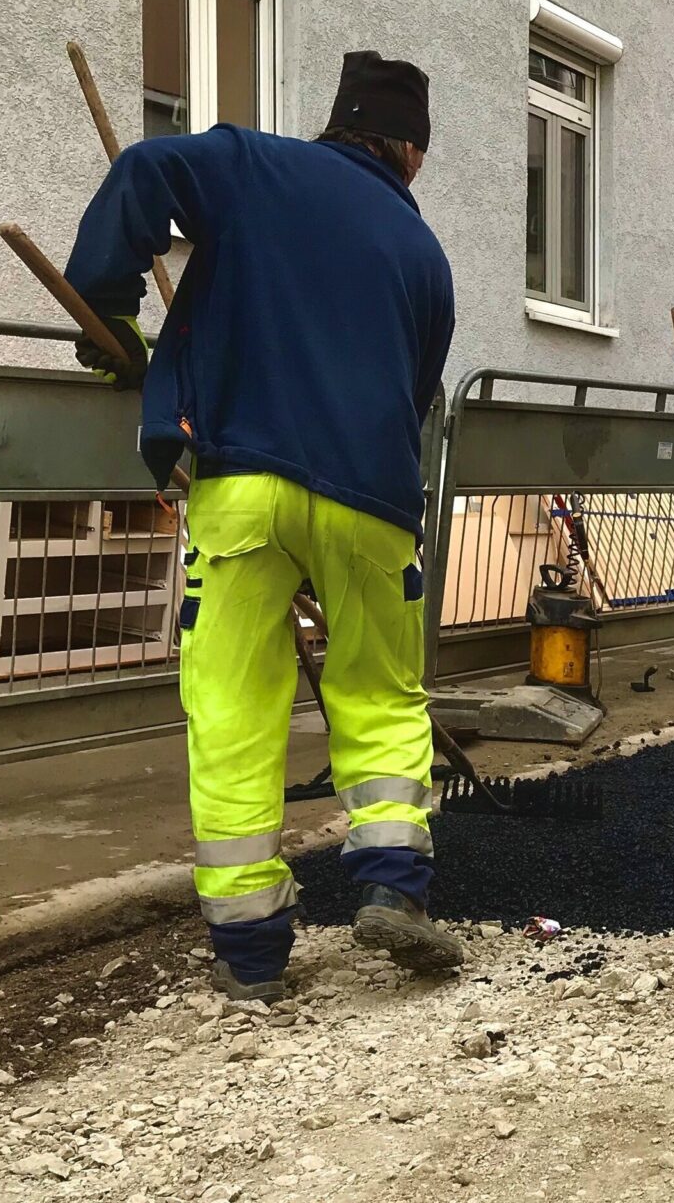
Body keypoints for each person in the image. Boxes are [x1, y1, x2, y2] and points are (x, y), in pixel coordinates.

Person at [66, 52, 460, 1003]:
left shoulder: (254, 166)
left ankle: (250, 950)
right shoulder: (424, 256)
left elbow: (144, 172)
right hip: (371, 502)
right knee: (378, 690)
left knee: (236, 709)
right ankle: (390, 887)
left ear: (338, 123)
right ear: (407, 151)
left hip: (240, 484)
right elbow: (417, 398)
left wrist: (110, 316)